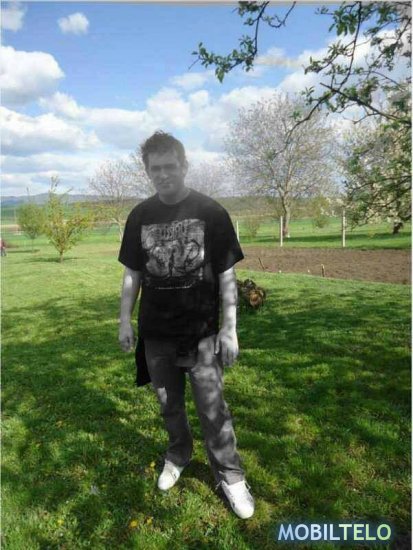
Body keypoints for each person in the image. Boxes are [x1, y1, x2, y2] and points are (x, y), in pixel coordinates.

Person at [118, 131, 254, 519]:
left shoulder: (211, 212)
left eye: (170, 166)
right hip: (156, 333)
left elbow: (227, 275)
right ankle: (179, 454)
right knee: (169, 405)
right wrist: (124, 320)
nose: (163, 174)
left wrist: (229, 328)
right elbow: (132, 274)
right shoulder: (139, 216)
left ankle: (230, 475)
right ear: (147, 171)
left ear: (184, 165)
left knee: (213, 410)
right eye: (155, 169)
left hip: (202, 334)